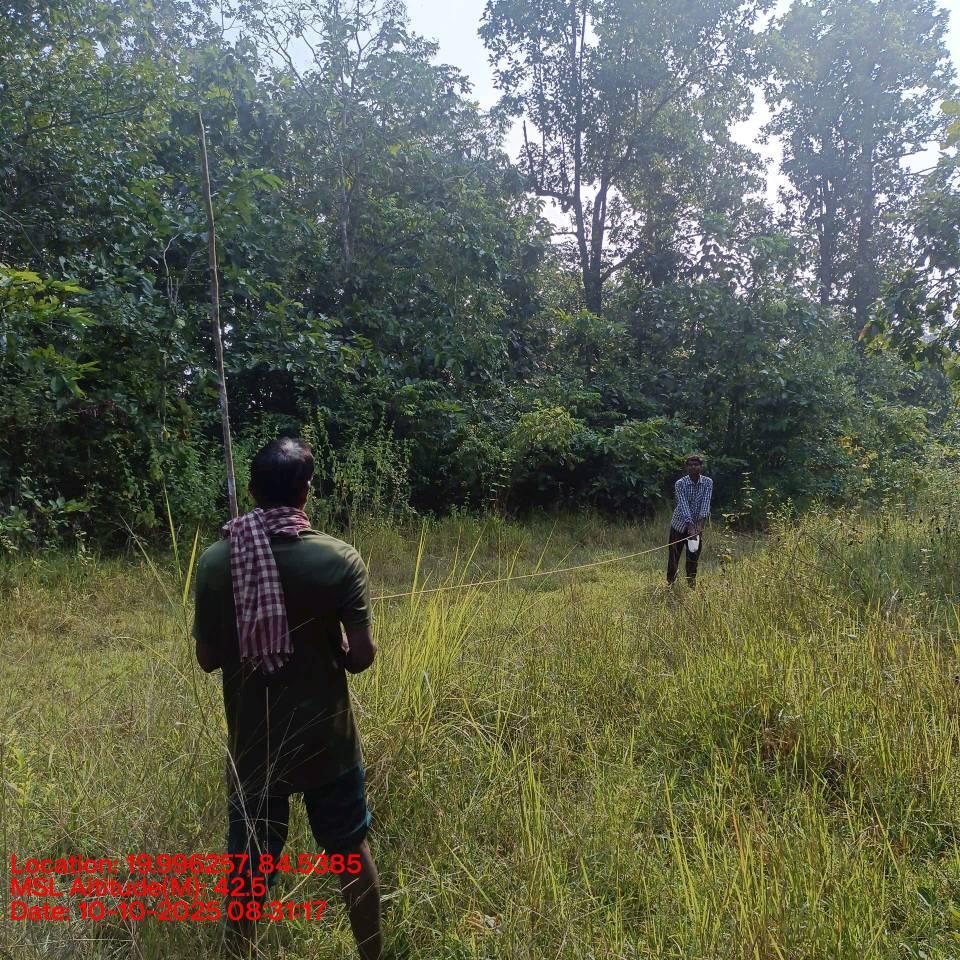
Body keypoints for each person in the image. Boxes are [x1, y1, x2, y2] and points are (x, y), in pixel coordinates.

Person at [192, 437, 383, 960]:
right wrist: (333, 647)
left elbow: (207, 659)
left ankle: (239, 953)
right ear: (306, 491)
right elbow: (362, 656)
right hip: (328, 744)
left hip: (256, 746)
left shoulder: (217, 562)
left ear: (253, 491)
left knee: (249, 868)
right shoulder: (339, 559)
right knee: (349, 852)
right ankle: (372, 954)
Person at [666, 454, 713, 587]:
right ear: (686, 467)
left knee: (693, 557)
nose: (693, 467)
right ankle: (670, 583)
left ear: (701, 467)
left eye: (696, 464)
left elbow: (705, 504)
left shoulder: (708, 482)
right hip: (679, 525)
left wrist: (699, 527)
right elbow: (683, 505)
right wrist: (690, 527)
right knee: (674, 556)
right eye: (690, 465)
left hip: (697, 526)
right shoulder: (680, 483)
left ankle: (691, 585)